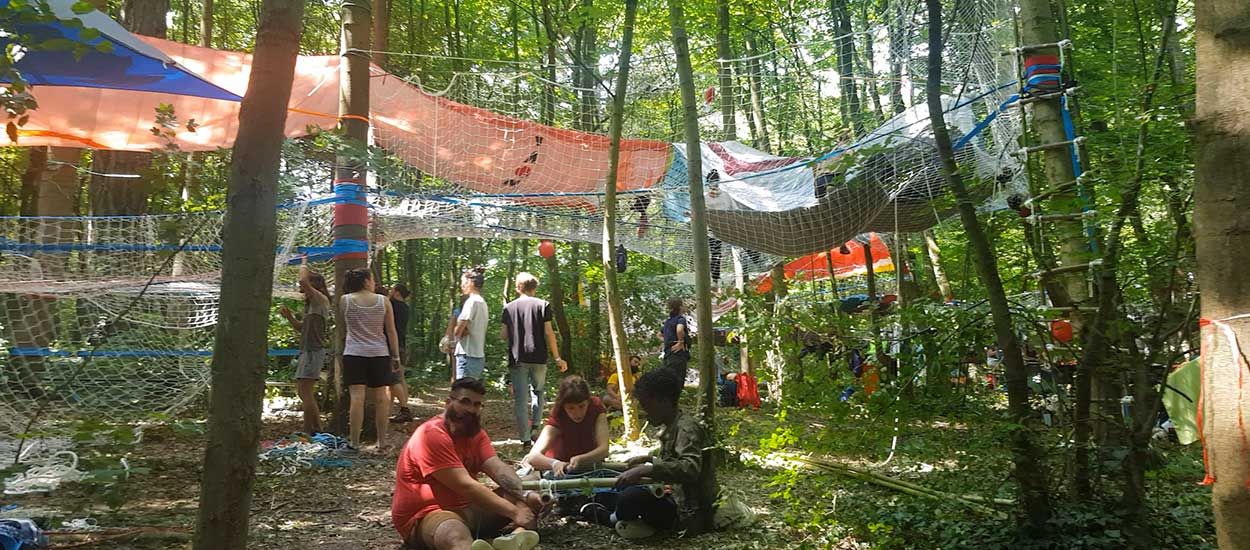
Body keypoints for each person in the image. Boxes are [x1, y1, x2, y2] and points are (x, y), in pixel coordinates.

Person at [392, 378, 543, 550]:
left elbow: (497, 467)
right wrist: (515, 511)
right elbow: (465, 485)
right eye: (465, 402)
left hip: (468, 509)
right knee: (454, 533)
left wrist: (524, 494)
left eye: (477, 405)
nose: (471, 409)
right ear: (448, 402)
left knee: (537, 489)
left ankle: (516, 537)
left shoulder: (476, 434)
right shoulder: (430, 435)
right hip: (427, 514)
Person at [612, 368, 711, 538]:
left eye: (646, 405)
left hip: (683, 510)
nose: (645, 411)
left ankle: (612, 518)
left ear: (664, 401)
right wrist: (650, 459)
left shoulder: (686, 428)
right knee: (616, 488)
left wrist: (648, 469)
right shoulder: (672, 425)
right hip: (668, 495)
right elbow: (673, 461)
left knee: (629, 497)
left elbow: (690, 469)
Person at [339, 268, 402, 452]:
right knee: (381, 398)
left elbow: (343, 328)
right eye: (372, 279)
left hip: (353, 353)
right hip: (379, 354)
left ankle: (354, 442)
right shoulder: (383, 301)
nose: (374, 283)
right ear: (366, 281)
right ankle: (382, 441)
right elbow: (391, 331)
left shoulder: (345, 300)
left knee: (357, 398)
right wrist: (395, 355)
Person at [501, 272, 568, 444]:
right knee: (538, 391)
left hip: (518, 358)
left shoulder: (508, 308)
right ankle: (536, 426)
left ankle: (524, 438)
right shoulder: (543, 305)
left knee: (521, 399)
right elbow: (549, 333)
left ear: (518, 288)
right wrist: (557, 357)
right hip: (539, 356)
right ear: (535, 288)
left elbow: (503, 335)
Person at [278, 257, 331, 434]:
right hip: (308, 351)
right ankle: (316, 429)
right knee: (304, 392)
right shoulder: (311, 305)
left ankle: (309, 430)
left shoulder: (320, 299)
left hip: (313, 351)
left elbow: (302, 279)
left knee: (305, 392)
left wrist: (303, 262)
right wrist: (289, 317)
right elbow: (302, 328)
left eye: (305, 286)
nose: (300, 287)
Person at [522, 376, 609, 477]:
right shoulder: (559, 416)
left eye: (582, 406)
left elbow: (604, 450)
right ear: (563, 406)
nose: (578, 413)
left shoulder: (596, 408)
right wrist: (555, 464)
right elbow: (533, 457)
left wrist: (580, 459)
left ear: (588, 402)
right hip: (562, 472)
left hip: (591, 469)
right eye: (571, 408)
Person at [454, 267, 489, 380]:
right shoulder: (482, 302)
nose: (461, 285)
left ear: (470, 282)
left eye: (463, 282)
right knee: (471, 393)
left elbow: (460, 330)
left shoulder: (471, 302)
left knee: (462, 392)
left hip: (467, 354)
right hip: (478, 355)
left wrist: (454, 333)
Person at [387, 283, 415, 423]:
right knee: (399, 378)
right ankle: (393, 409)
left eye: (392, 289)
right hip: (401, 346)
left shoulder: (391, 304)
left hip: (393, 347)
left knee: (393, 380)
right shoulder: (405, 307)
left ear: (397, 293)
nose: (390, 292)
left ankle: (404, 409)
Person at [660, 298, 690, 377]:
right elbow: (679, 330)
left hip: (668, 353)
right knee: (678, 378)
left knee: (669, 378)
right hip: (678, 354)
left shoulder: (668, 322)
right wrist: (680, 342)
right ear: (680, 307)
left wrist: (667, 341)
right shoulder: (680, 319)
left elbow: (659, 334)